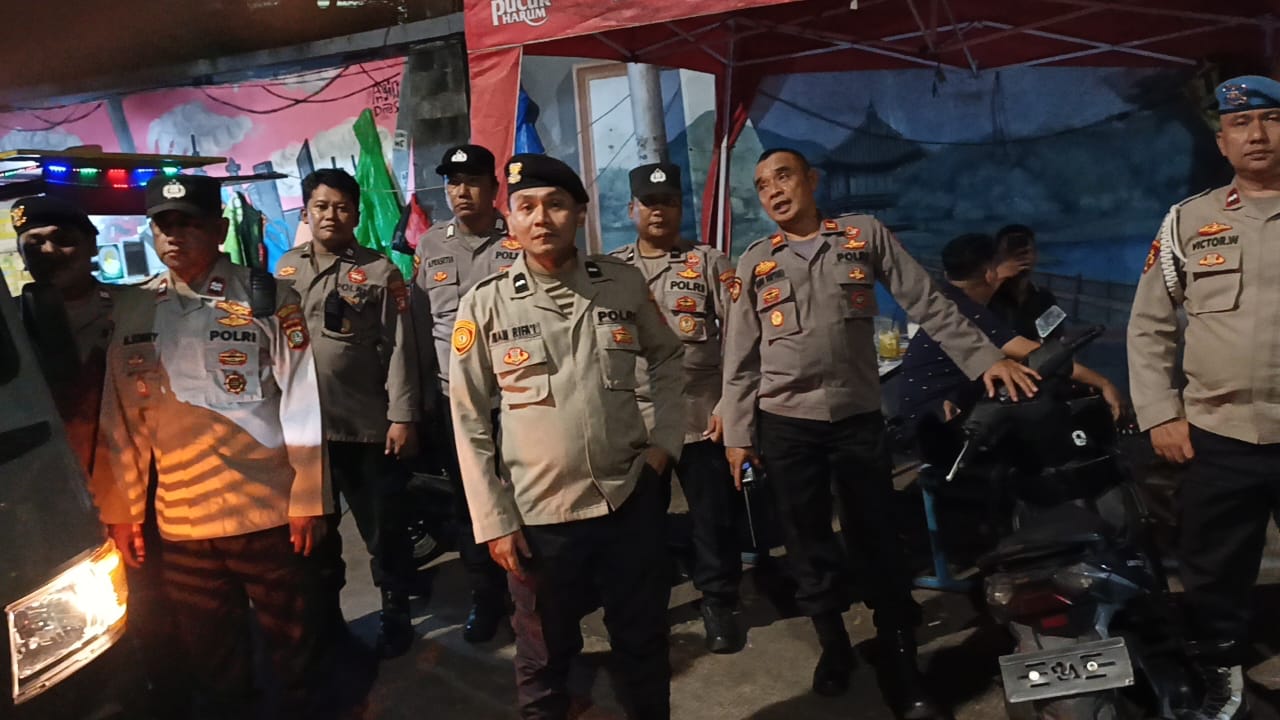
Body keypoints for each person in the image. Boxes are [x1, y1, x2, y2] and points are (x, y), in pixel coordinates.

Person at [720, 148, 1039, 719]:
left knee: (877, 538)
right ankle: (834, 645)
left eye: (784, 176)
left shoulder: (861, 235)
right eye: (763, 184)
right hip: (786, 425)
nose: (774, 191)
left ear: (812, 180)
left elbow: (927, 301)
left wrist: (984, 358)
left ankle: (900, 659)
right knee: (807, 542)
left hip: (856, 420)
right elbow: (740, 357)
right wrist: (737, 434)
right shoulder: (755, 263)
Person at [450, 154, 685, 720]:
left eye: (556, 204)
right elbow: (468, 418)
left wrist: (666, 443)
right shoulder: (485, 303)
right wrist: (495, 520)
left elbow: (668, 357)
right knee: (544, 657)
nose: (541, 218)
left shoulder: (621, 284)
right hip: (539, 516)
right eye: (526, 207)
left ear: (580, 212)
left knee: (643, 641)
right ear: (510, 218)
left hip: (625, 498)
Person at [92, 174, 328, 719]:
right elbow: (121, 417)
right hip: (183, 522)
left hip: (266, 509)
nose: (174, 235)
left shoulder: (267, 297)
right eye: (163, 225)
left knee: (295, 644)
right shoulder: (134, 308)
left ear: (219, 230)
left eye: (188, 223)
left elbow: (302, 400)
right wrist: (123, 512)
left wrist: (310, 498)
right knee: (213, 654)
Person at [1127, 74, 1280, 720]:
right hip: (1219, 433)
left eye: (1272, 119)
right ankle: (1224, 680)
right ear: (1222, 142)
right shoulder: (1189, 221)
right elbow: (1149, 325)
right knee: (1213, 572)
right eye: (1241, 124)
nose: (1257, 134)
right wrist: (1160, 412)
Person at [275, 168, 420, 658]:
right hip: (305, 434)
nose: (330, 215)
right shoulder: (285, 268)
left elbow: (400, 348)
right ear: (306, 212)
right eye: (321, 206)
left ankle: (396, 614)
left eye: (341, 207)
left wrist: (402, 416)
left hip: (364, 426)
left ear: (356, 214)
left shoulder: (380, 272)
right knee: (316, 536)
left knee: (384, 532)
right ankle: (330, 623)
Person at [608, 162, 743, 653]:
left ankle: (719, 601)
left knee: (713, 519)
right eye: (649, 203)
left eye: (668, 202)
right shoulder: (612, 270)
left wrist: (731, 404)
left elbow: (740, 338)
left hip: (700, 414)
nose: (658, 211)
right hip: (638, 420)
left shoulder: (710, 263)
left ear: (680, 207)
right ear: (633, 209)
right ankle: (647, 606)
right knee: (641, 522)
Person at [411, 143, 512, 642]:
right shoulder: (431, 245)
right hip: (457, 400)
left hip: (517, 398)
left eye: (472, 181)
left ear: (494, 187)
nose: (461, 192)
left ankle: (535, 594)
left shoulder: (519, 240)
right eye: (453, 183)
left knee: (527, 496)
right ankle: (487, 598)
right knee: (472, 502)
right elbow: (420, 324)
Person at [898, 232, 1123, 439]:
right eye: (1004, 257)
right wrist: (1103, 383)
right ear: (990, 272)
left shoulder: (947, 302)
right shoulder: (968, 311)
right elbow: (1041, 355)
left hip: (928, 412)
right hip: (938, 421)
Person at [11, 195, 116, 472]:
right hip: (45, 470)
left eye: (63, 239)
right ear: (22, 258)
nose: (49, 251)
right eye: (34, 244)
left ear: (91, 245)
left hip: (124, 462)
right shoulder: (9, 323)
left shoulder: (136, 305)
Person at [988, 224, 1058, 340]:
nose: (1021, 255)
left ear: (1035, 256)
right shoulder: (986, 296)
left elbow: (1051, 340)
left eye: (1026, 251)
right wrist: (998, 277)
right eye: (1011, 250)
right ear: (996, 257)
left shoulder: (1046, 299)